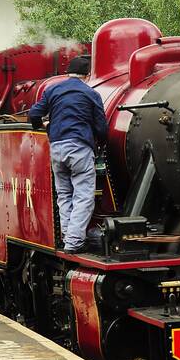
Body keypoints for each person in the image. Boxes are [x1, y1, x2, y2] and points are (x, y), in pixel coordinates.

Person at [28, 56, 107, 254]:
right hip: (79, 147)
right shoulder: (91, 94)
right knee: (83, 196)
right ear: (87, 75)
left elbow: (34, 114)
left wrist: (43, 126)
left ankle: (67, 236)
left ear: (68, 73)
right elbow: (101, 128)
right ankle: (74, 242)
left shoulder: (53, 90)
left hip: (57, 148)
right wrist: (100, 143)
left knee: (64, 195)